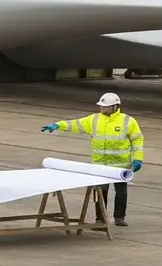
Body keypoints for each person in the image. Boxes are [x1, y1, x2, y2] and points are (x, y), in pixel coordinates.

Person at [41, 92, 144, 226]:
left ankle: (119, 217)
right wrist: (58, 125)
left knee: (121, 193)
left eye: (105, 107)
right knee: (100, 192)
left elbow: (137, 140)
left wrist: (138, 159)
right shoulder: (94, 119)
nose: (102, 109)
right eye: (101, 107)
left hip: (120, 165)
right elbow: (76, 125)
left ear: (115, 107)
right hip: (100, 165)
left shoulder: (128, 121)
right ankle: (100, 218)